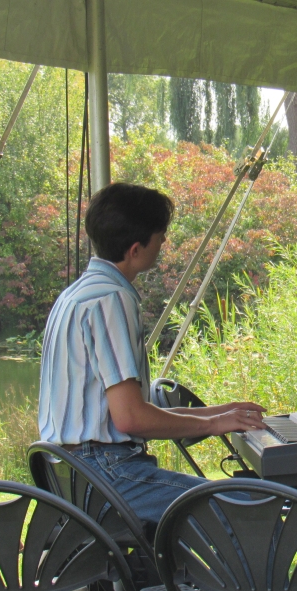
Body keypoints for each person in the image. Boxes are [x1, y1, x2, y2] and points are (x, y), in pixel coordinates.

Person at [38, 182, 266, 528]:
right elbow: (130, 419)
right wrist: (214, 424)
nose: (164, 242)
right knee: (248, 507)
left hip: (74, 474)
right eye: (160, 236)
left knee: (234, 501)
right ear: (135, 249)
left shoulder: (76, 294)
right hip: (105, 474)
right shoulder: (112, 299)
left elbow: (120, 415)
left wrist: (221, 412)